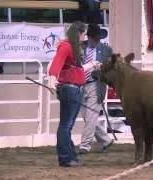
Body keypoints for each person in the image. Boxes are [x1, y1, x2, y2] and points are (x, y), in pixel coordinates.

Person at [48, 21, 99, 167]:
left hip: (74, 89)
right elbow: (57, 63)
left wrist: (92, 64)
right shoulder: (66, 46)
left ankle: (70, 156)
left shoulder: (72, 47)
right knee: (66, 125)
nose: (85, 36)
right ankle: (65, 158)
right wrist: (52, 78)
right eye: (84, 34)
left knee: (67, 125)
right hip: (70, 89)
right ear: (79, 33)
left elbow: (76, 69)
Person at [78, 23, 114, 154]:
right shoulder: (80, 48)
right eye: (95, 38)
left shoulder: (106, 50)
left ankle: (85, 145)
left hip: (96, 84)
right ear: (89, 37)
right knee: (87, 117)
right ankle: (106, 140)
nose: (97, 41)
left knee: (92, 115)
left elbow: (111, 68)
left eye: (98, 38)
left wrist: (102, 71)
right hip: (80, 85)